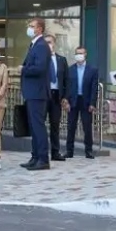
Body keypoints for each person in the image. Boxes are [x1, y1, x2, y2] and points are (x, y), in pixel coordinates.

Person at [19, 18, 52, 171]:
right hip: (32, 92)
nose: (29, 28)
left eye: (32, 26)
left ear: (40, 29)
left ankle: (43, 159)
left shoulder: (41, 46)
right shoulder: (34, 45)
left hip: (38, 93)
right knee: (33, 127)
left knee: (38, 127)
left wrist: (23, 69)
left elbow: (40, 68)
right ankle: (35, 157)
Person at [65, 45, 98, 159]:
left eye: (81, 53)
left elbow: (94, 88)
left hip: (86, 101)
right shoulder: (70, 69)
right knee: (71, 127)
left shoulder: (92, 70)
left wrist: (92, 103)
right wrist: (66, 101)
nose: (79, 55)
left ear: (85, 54)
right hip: (73, 101)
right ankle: (69, 151)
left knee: (87, 127)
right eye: (77, 53)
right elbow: (67, 87)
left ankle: (88, 151)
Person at [43, 34, 69, 162]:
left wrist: (65, 97)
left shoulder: (61, 60)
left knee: (55, 125)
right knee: (40, 124)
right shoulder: (41, 59)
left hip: (56, 96)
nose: (48, 44)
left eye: (50, 42)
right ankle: (40, 152)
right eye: (46, 42)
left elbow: (66, 80)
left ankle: (55, 152)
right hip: (43, 95)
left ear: (54, 43)